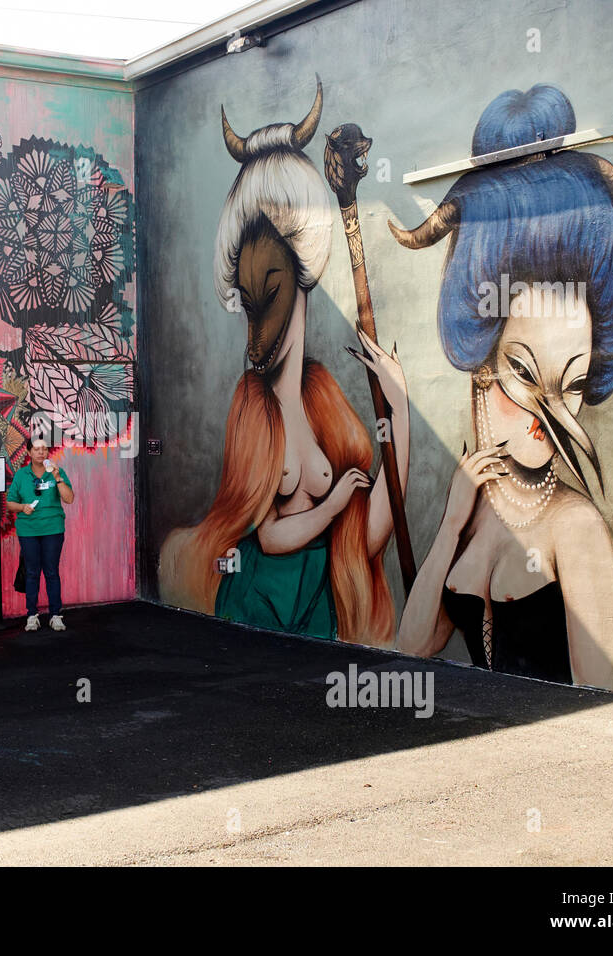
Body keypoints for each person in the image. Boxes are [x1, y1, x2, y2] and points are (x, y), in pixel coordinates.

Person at [390, 83, 613, 689]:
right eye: (526, 376)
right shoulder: (473, 505)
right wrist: (453, 521)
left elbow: (602, 713)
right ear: (482, 366)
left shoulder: (575, 529)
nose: (549, 415)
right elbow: (409, 650)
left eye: (575, 383)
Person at [158, 80, 408, 646]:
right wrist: (338, 499)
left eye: (267, 294)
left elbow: (369, 537)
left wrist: (402, 414)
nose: (254, 336)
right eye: (248, 303)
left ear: (300, 278)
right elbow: (268, 538)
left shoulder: (322, 396)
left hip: (319, 603)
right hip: (259, 600)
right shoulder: (251, 401)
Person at [6, 437, 74, 631]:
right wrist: (22, 507)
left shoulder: (56, 473)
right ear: (29, 452)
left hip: (53, 529)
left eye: (44, 449)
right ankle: (31, 615)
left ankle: (55, 615)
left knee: (52, 572)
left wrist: (58, 477)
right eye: (36, 449)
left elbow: (69, 498)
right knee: (32, 573)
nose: (41, 452)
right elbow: (10, 503)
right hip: (28, 531)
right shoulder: (21, 475)